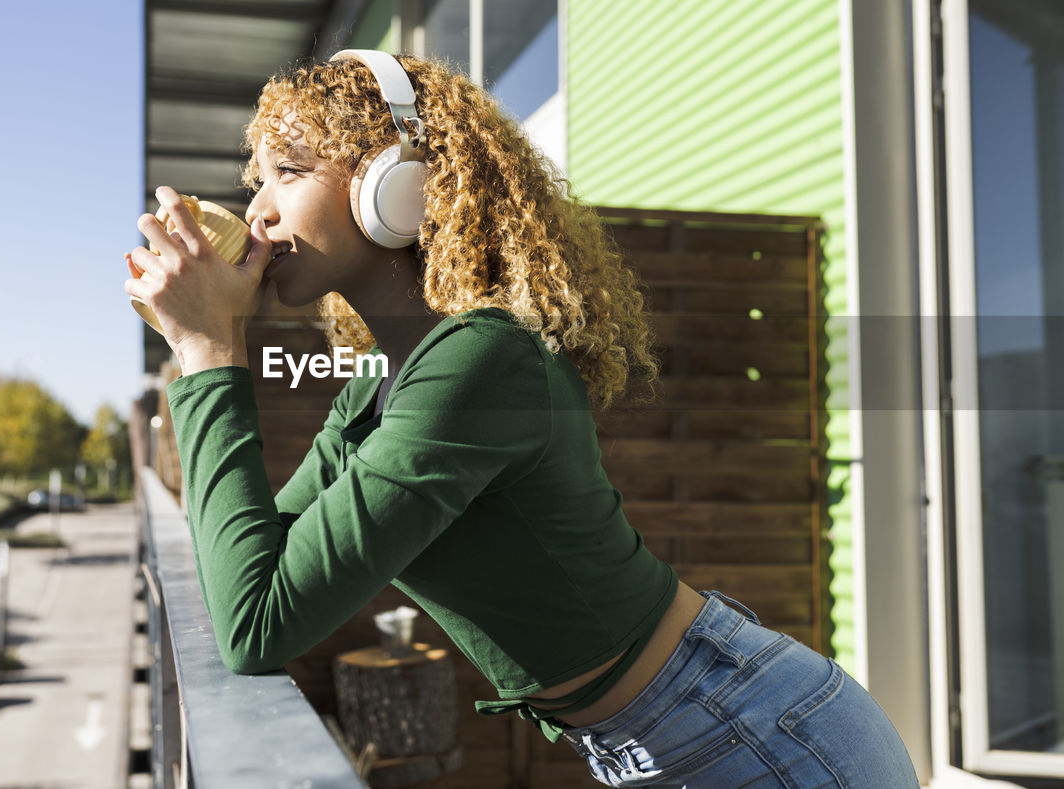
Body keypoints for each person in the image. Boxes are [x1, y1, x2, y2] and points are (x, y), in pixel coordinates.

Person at [124, 49, 920, 788]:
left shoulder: (481, 361)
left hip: (751, 734)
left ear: (398, 183)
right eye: (255, 179)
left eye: (288, 171)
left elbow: (260, 624)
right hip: (670, 737)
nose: (256, 210)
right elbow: (249, 577)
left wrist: (206, 350)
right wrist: (206, 342)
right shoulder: (373, 393)